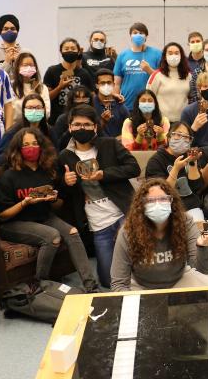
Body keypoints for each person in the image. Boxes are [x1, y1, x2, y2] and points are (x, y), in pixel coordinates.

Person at [0, 127, 98, 292]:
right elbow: (3, 215)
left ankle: (91, 285)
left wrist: (54, 198)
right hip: (15, 223)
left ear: (41, 147)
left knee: (72, 232)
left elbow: (57, 206)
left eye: (35, 143)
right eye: (26, 144)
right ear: (18, 149)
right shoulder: (9, 176)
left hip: (44, 217)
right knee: (52, 237)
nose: (31, 147)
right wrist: (25, 202)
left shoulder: (47, 172)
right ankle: (40, 284)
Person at [58, 105, 140, 288]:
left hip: (123, 213)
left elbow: (134, 167)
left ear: (95, 127)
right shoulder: (65, 156)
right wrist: (66, 182)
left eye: (87, 124)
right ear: (70, 127)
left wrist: (104, 174)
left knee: (136, 269)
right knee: (107, 279)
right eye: (77, 124)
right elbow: (62, 193)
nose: (82, 128)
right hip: (97, 223)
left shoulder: (109, 144)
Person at [110, 178, 208, 291]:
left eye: (163, 199)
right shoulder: (128, 231)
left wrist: (203, 247)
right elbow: (119, 283)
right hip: (142, 286)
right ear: (141, 204)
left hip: (180, 280)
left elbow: (204, 269)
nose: (157, 204)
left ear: (171, 201)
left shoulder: (184, 221)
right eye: (150, 201)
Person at [145, 122, 206, 222]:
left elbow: (197, 188)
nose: (182, 139)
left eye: (186, 137)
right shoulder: (156, 160)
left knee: (197, 228)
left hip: (191, 207)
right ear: (169, 138)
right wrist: (176, 169)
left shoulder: (189, 155)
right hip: (165, 208)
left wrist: (192, 163)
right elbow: (160, 192)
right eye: (178, 134)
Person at [43, 38, 94, 125]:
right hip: (56, 120)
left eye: (73, 49)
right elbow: (46, 98)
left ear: (78, 52)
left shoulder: (84, 73)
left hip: (80, 120)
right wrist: (60, 87)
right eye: (66, 49)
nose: (70, 51)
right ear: (61, 51)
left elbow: (92, 98)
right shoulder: (52, 71)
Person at [114, 22, 162, 110]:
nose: (138, 35)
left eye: (141, 33)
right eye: (135, 33)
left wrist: (149, 70)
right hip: (127, 105)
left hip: (150, 105)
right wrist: (116, 102)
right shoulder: (122, 55)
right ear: (130, 36)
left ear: (146, 36)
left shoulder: (157, 54)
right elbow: (117, 83)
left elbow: (163, 80)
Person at [0, 93, 59, 162]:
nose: (34, 110)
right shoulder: (13, 132)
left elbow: (56, 154)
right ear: (24, 110)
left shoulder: (49, 130)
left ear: (44, 109)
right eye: (30, 108)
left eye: (38, 107)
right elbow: (1, 157)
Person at [147, 42, 191, 123]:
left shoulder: (188, 75)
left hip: (183, 122)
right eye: (170, 53)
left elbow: (192, 97)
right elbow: (148, 98)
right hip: (161, 122)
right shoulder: (157, 75)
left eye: (176, 53)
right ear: (165, 57)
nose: (173, 56)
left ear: (181, 56)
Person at [11, 51, 51, 124]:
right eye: (25, 65)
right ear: (17, 67)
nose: (29, 68)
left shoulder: (42, 87)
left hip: (39, 126)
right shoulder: (11, 87)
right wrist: (31, 101)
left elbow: (47, 112)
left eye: (31, 65)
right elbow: (13, 114)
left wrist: (28, 107)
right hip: (18, 126)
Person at [52, 86, 93, 150]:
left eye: (84, 98)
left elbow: (100, 140)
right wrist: (71, 130)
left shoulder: (93, 118)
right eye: (77, 98)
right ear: (71, 101)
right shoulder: (62, 119)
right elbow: (57, 145)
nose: (81, 101)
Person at [93, 68, 130, 138]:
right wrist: (103, 121)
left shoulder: (121, 107)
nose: (106, 85)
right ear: (97, 85)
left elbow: (130, 130)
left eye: (109, 82)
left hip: (117, 146)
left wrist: (121, 138)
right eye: (102, 83)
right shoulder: (91, 105)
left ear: (113, 84)